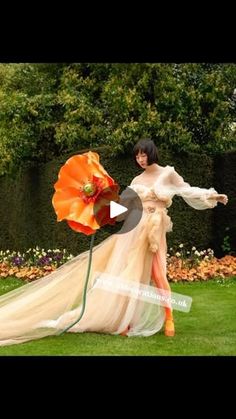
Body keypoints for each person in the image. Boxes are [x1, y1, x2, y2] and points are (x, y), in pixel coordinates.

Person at [0, 139, 228, 346]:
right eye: (137, 156)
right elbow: (125, 206)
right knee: (129, 275)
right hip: (134, 228)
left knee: (158, 274)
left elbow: (186, 190)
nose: (140, 159)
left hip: (155, 229)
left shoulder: (168, 173)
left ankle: (169, 318)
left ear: (151, 153)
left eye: (143, 155)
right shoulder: (136, 180)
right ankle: (126, 321)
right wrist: (99, 212)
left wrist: (212, 196)